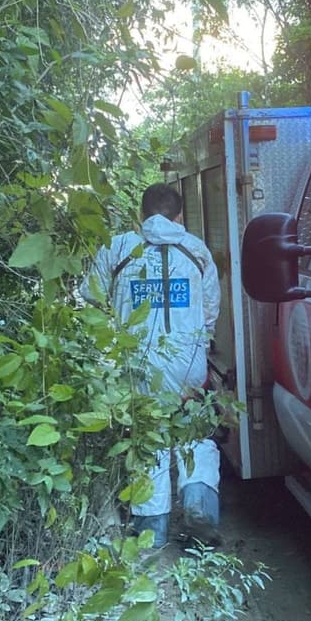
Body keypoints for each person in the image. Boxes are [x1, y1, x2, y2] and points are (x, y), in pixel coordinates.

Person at [79, 183, 222, 548]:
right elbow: (209, 314)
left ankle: (151, 530)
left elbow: (91, 299)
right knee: (194, 436)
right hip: (188, 365)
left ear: (141, 215)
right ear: (179, 216)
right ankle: (198, 503)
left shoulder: (120, 248)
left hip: (138, 365)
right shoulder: (196, 250)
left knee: (147, 444)